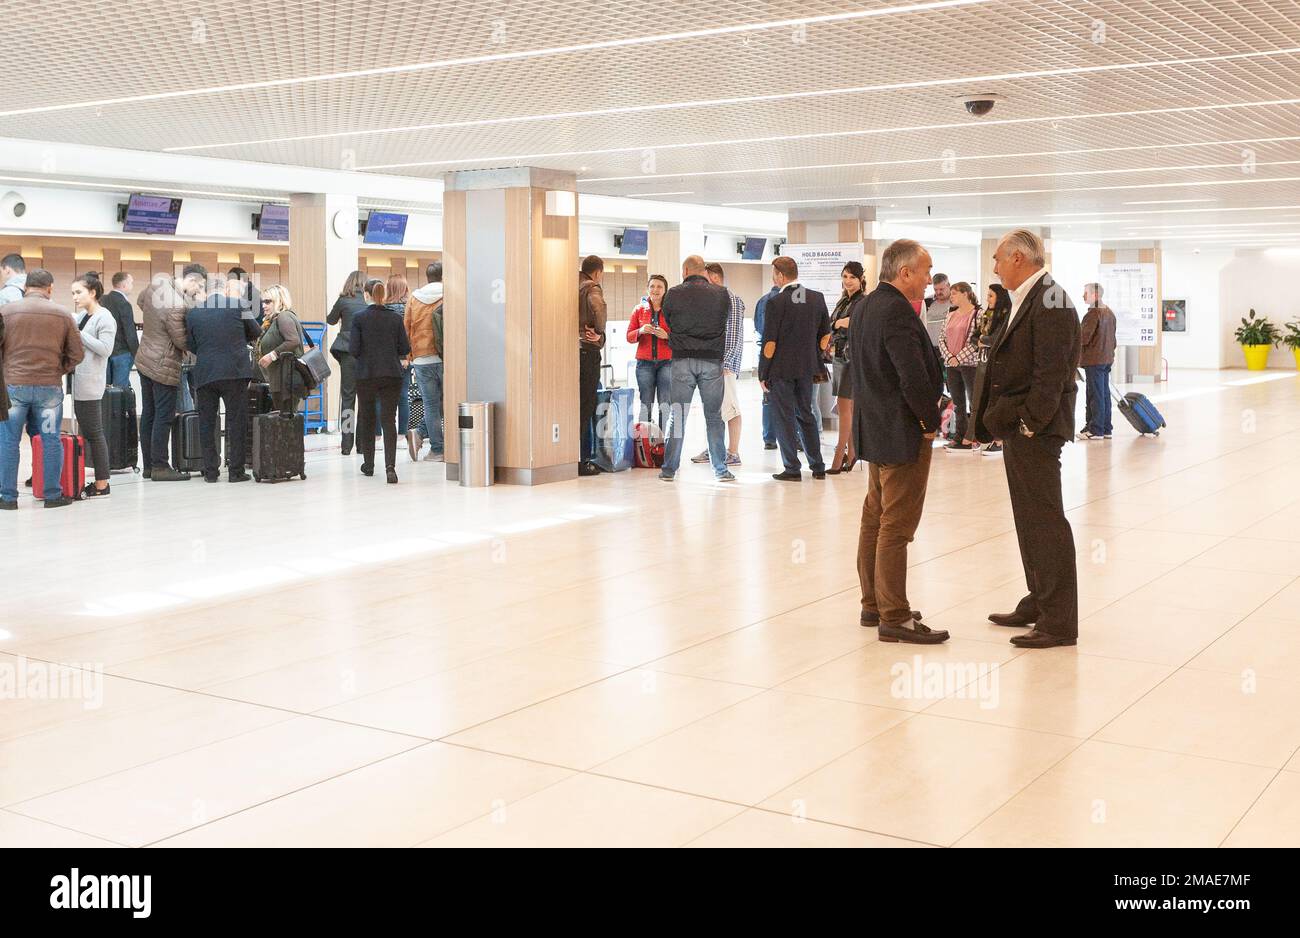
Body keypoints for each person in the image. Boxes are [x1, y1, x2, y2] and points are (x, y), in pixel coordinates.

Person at [972, 229, 1081, 649]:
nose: (995, 266)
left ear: (1019, 258)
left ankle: (1058, 621)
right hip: (1019, 426)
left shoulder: (1051, 300)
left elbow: (1051, 373)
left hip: (1035, 429)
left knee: (1045, 520)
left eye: (998, 258)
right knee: (1028, 517)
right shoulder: (1030, 297)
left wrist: (1030, 422)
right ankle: (1038, 599)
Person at [850, 240, 947, 644]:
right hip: (901, 431)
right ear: (905, 272)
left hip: (873, 429)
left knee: (875, 515)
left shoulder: (864, 307)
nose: (929, 278)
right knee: (897, 525)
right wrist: (928, 421)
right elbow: (912, 376)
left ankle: (873, 603)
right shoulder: (898, 314)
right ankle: (895, 615)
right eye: (925, 271)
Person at [0, 269, 84, 509]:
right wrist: (59, 370)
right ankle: (52, 495)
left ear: (26, 287)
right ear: (49, 288)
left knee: (8, 442)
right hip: (49, 389)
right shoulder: (62, 314)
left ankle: (7, 498)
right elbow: (77, 353)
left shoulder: (6, 312)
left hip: (13, 388)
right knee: (50, 440)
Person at [659, 255, 733, 482]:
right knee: (713, 416)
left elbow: (668, 321)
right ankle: (720, 469)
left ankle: (669, 469)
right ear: (703, 271)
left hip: (682, 359)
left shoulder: (673, 293)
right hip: (712, 360)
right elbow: (724, 320)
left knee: (678, 415)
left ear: (685, 271)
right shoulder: (721, 294)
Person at [185, 270, 261, 483]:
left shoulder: (194, 313)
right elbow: (256, 332)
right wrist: (236, 339)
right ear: (225, 289)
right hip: (235, 372)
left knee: (207, 423)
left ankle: (210, 471)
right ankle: (236, 471)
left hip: (206, 372)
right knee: (236, 422)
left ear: (206, 291)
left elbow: (191, 345)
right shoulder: (238, 305)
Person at [760, 255, 830, 482]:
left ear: (780, 275)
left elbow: (770, 343)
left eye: (774, 274)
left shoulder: (775, 302)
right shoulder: (816, 298)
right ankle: (817, 465)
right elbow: (825, 336)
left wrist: (763, 372)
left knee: (784, 417)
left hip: (781, 369)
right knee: (806, 413)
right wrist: (814, 355)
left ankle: (792, 467)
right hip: (807, 368)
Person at [136, 267, 197, 481]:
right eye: (196, 287)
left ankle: (149, 466)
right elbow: (182, 341)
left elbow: (140, 302)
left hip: (145, 357)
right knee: (164, 415)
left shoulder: (155, 287)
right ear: (191, 280)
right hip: (164, 363)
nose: (195, 292)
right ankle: (161, 466)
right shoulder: (177, 305)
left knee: (149, 413)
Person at [350, 279, 410, 484]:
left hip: (366, 374)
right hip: (391, 374)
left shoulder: (359, 318)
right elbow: (404, 348)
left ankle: (368, 465)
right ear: (384, 295)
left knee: (367, 419)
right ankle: (390, 467)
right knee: (388, 420)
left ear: (367, 295)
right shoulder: (394, 319)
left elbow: (354, 350)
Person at [691, 263, 744, 467]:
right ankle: (714, 448)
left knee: (731, 408)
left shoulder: (730, 299)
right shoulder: (712, 300)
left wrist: (727, 362)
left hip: (724, 366)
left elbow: (733, 336)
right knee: (713, 410)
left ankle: (733, 452)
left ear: (713, 277)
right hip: (710, 364)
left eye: (703, 279)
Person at [69, 273, 117, 498]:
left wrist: (79, 335)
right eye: (73, 293)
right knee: (89, 432)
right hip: (79, 381)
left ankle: (102, 483)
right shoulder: (81, 316)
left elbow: (105, 349)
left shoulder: (105, 317)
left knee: (95, 434)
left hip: (91, 382)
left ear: (93, 293)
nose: (75, 297)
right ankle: (95, 480)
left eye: (78, 292)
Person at [826, 261, 867, 474]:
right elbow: (834, 323)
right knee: (846, 408)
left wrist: (840, 323)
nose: (848, 281)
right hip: (839, 356)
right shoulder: (843, 301)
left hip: (853, 358)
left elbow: (854, 323)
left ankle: (838, 454)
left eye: (852, 277)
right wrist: (839, 323)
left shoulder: (863, 300)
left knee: (844, 407)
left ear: (860, 279)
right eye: (845, 277)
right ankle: (851, 454)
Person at [404, 261, 445, 462]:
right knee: (445, 402)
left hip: (421, 358)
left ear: (427, 277)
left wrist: (409, 355)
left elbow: (407, 327)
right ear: (443, 276)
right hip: (444, 356)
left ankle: (423, 437)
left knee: (431, 404)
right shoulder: (448, 296)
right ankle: (436, 447)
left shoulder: (414, 298)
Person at [938, 281, 983, 451]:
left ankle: (974, 436)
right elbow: (942, 337)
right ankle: (959, 435)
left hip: (970, 364)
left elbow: (976, 340)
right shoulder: (950, 314)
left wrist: (959, 357)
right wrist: (950, 357)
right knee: (957, 403)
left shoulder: (978, 314)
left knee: (974, 402)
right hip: (951, 365)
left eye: (955, 293)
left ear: (965, 294)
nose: (952, 297)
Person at [327, 270, 368, 456]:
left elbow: (330, 319)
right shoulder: (368, 301)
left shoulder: (344, 300)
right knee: (365, 398)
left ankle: (346, 443)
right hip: (366, 353)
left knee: (348, 397)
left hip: (347, 353)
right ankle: (361, 444)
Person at [970, 284, 1012, 455]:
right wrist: (980, 340)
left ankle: (999, 439)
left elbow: (999, 337)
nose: (987, 299)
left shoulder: (1006, 315)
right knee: (982, 399)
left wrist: (984, 340)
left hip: (998, 362)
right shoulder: (986, 315)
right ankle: (986, 435)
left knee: (996, 400)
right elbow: (974, 336)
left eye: (991, 296)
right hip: (982, 361)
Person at [627, 274, 672, 430]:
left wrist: (667, 336)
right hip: (644, 365)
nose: (655, 290)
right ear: (647, 289)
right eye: (652, 286)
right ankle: (644, 447)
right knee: (645, 403)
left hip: (667, 364)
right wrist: (640, 331)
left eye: (659, 286)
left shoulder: (671, 311)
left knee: (665, 404)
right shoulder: (639, 310)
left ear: (665, 290)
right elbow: (629, 336)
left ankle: (663, 446)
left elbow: (680, 338)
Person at [255, 284, 306, 414]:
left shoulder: (284, 317)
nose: (263, 306)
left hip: (287, 381)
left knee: (286, 423)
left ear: (279, 301)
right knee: (284, 423)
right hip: (281, 380)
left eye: (268, 301)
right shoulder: (273, 320)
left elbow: (293, 340)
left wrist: (271, 355)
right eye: (263, 302)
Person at [578, 255, 607, 477]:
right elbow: (598, 307)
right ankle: (583, 459)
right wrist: (599, 330)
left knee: (576, 406)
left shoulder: (571, 284)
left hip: (571, 352)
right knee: (586, 407)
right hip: (588, 351)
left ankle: (574, 456)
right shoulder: (591, 287)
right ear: (597, 272)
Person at [1078, 282, 1117, 441]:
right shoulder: (1109, 312)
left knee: (1095, 394)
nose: (1083, 296)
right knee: (1104, 394)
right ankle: (1106, 428)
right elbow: (1113, 338)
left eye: (1085, 293)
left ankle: (1095, 429)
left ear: (1095, 295)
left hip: (1094, 359)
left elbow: (1083, 338)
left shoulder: (1093, 314)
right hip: (1106, 358)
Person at [752, 283, 779, 450]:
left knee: (768, 396)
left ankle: (769, 438)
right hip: (783, 353)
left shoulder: (762, 300)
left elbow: (757, 326)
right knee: (790, 397)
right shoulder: (790, 300)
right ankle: (795, 438)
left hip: (764, 351)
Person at [100, 272, 139, 389]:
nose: (132, 285)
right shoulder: (124, 303)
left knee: (106, 387)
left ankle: (109, 408)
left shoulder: (103, 300)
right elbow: (129, 331)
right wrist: (137, 353)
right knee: (120, 389)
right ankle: (120, 408)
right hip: (122, 352)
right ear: (124, 285)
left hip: (106, 351)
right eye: (131, 283)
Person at [923, 273, 951, 349]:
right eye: (935, 289)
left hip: (950, 350)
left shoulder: (956, 302)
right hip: (931, 349)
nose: (938, 292)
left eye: (941, 289)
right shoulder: (927, 302)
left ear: (948, 285)